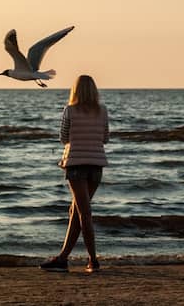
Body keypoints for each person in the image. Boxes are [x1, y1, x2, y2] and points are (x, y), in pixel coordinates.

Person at [40, 74, 109, 273]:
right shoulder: (102, 111)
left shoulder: (69, 110)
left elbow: (63, 138)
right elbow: (105, 138)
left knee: (83, 213)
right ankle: (63, 258)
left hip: (76, 165)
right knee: (76, 211)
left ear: (75, 90)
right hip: (96, 165)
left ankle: (93, 260)